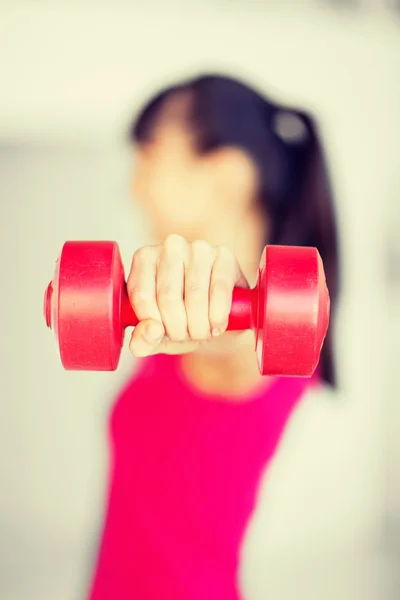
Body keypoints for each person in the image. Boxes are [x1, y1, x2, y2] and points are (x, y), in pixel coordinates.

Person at [88, 73, 339, 600]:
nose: (133, 187)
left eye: (149, 156)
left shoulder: (257, 339)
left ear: (227, 175)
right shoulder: (179, 321)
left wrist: (215, 317)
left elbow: (232, 356)